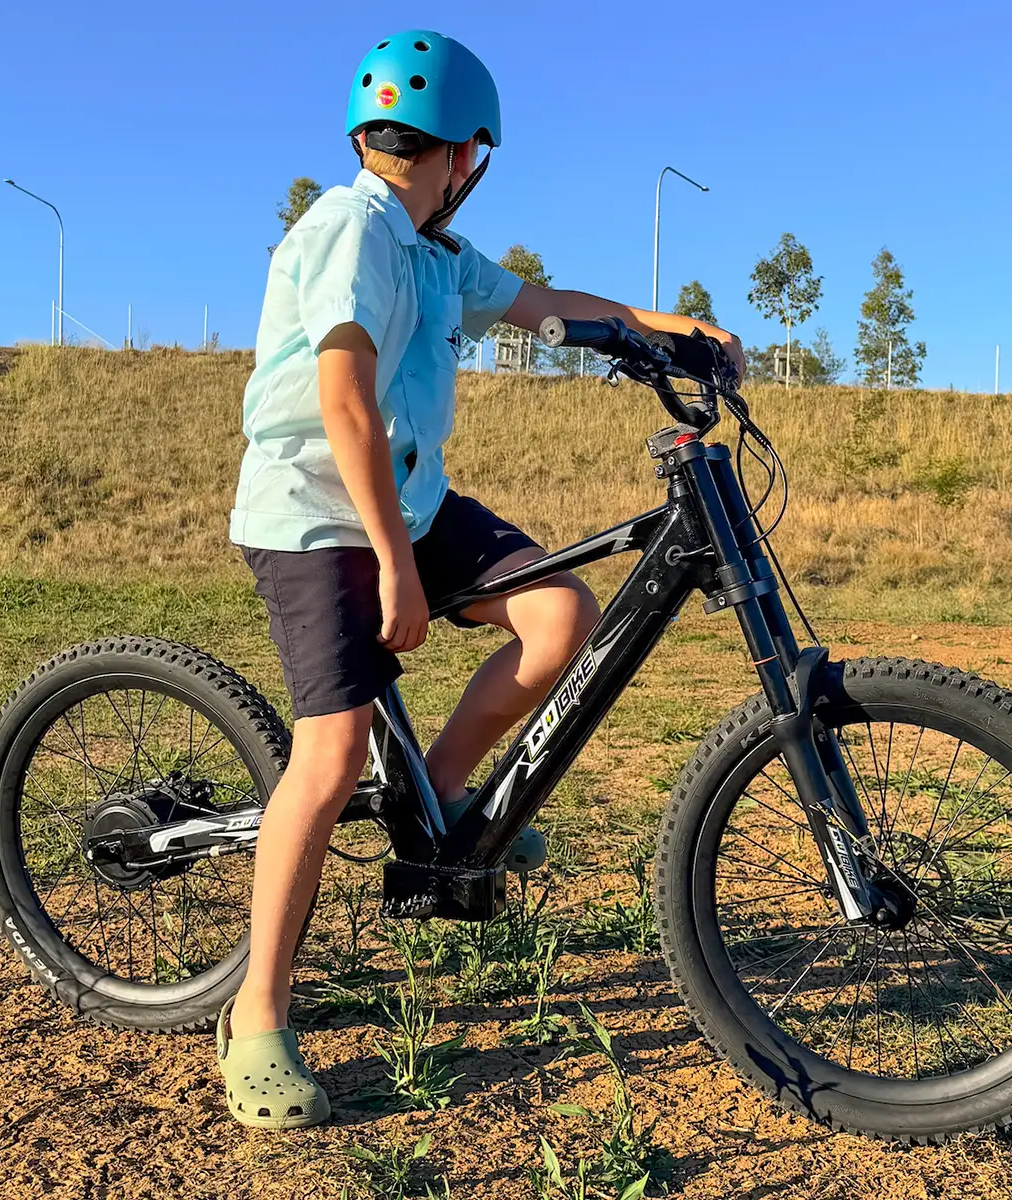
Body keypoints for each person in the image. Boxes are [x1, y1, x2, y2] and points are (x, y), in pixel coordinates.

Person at [218, 29, 744, 1130]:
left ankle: (443, 799)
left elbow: (544, 306)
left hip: (404, 504)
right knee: (325, 757)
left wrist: (666, 328)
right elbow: (344, 405)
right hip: (317, 517)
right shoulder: (348, 232)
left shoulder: (432, 252)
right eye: (473, 160)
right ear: (466, 154)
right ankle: (257, 1016)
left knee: (561, 615)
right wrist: (399, 575)